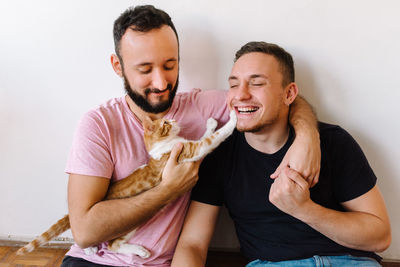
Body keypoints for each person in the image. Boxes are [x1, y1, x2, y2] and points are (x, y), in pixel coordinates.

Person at [61, 6, 320, 267]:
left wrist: (308, 138)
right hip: (93, 261)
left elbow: (272, 101)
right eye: (145, 69)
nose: (161, 83)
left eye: (169, 65)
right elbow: (84, 232)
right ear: (118, 66)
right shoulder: (99, 124)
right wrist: (167, 190)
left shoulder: (200, 106)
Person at [172, 42, 391, 267]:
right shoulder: (221, 156)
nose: (241, 95)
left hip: (349, 262)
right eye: (234, 84)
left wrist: (304, 209)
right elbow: (192, 243)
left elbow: (380, 236)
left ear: (289, 94)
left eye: (256, 83)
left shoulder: (334, 142)